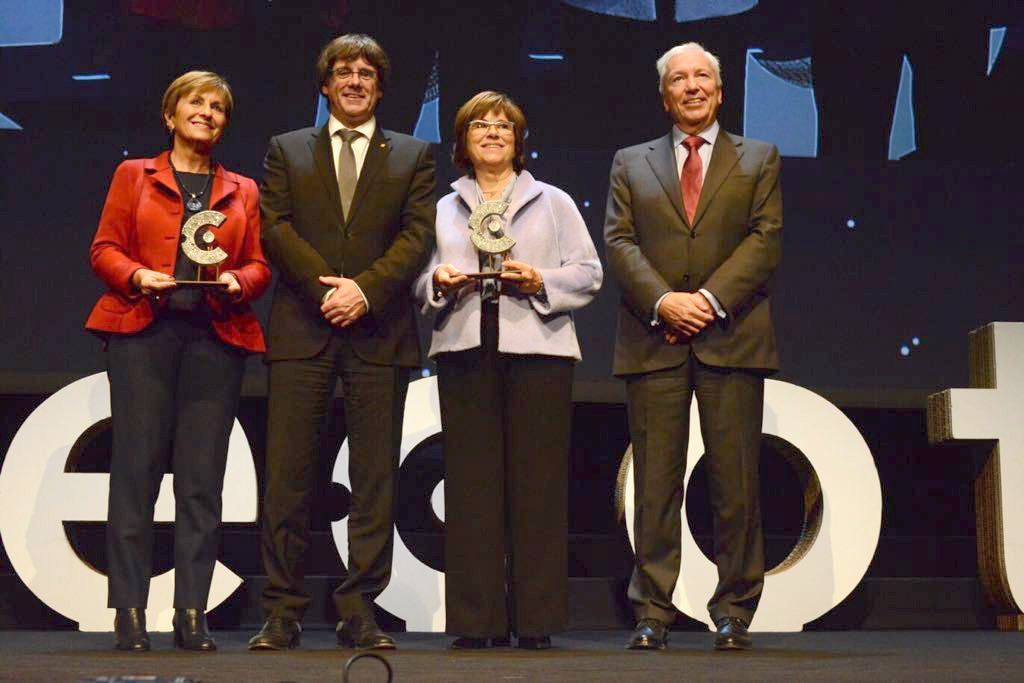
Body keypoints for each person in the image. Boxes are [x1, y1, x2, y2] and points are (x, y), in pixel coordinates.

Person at [248, 34, 436, 651]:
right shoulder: (286, 149)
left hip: (378, 332)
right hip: (303, 327)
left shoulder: (412, 154)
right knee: (288, 475)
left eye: (366, 74)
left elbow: (416, 236)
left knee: (374, 476)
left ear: (380, 88)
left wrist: (365, 291)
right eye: (342, 72)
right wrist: (327, 289)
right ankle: (282, 609)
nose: (354, 81)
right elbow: (273, 227)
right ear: (325, 86)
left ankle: (359, 607)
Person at [603, 42, 782, 651]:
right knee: (656, 484)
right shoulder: (630, 162)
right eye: (679, 79)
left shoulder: (760, 158)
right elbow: (620, 242)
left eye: (703, 76)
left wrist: (705, 302)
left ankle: (733, 610)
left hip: (731, 337)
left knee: (735, 483)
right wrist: (664, 302)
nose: (692, 86)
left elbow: (765, 241)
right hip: (654, 339)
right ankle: (653, 610)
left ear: (721, 90)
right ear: (664, 95)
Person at [86, 71, 271, 652]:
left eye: (218, 106)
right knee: (135, 474)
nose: (207, 113)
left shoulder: (243, 189)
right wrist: (139, 275)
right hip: (145, 334)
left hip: (215, 338)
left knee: (200, 483)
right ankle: (130, 612)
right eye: (196, 102)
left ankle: (192, 611)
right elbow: (104, 249)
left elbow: (258, 263)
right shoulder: (133, 175)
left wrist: (239, 284)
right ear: (170, 115)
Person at [414, 91, 602, 651]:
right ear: (462, 142)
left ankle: (536, 620)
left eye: (504, 126)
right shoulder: (442, 206)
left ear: (520, 141)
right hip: (465, 350)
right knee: (471, 488)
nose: (493, 133)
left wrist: (539, 280)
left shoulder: (554, 201)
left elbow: (589, 273)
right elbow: (420, 280)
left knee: (537, 487)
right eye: (480, 126)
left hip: (539, 351)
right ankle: (478, 622)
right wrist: (438, 284)